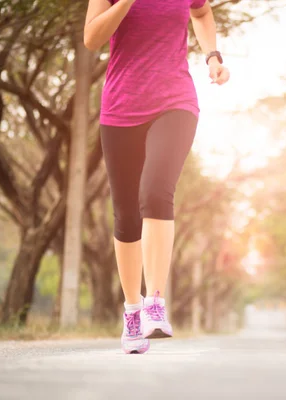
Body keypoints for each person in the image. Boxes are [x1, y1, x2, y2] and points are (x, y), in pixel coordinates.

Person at [84, 0, 230, 354]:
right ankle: (132, 311)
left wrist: (212, 56)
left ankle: (155, 302)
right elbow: (92, 38)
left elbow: (202, 11)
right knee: (126, 215)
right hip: (121, 108)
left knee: (155, 191)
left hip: (175, 101)